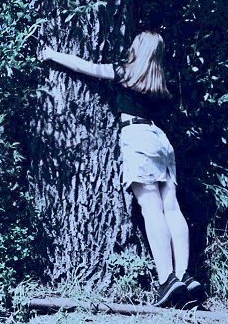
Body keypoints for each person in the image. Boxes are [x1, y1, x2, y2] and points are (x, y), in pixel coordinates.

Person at [38, 31, 204, 308]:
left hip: (138, 137)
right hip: (161, 140)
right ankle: (185, 275)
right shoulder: (160, 84)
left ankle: (167, 279)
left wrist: (52, 54)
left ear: (138, 49)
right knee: (172, 208)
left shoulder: (125, 74)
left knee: (151, 208)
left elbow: (85, 66)